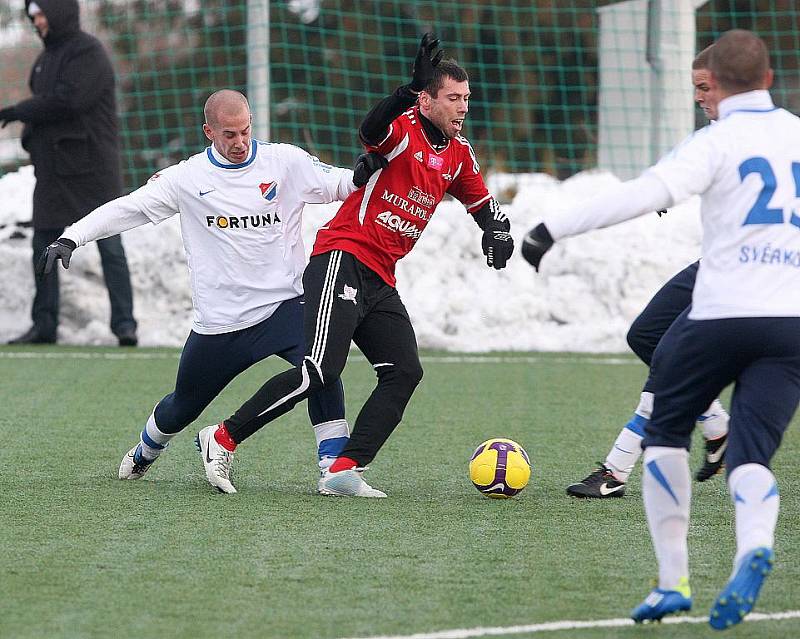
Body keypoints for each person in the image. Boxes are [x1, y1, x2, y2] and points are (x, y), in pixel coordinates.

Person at [522, 30, 799, 629]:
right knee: (755, 457)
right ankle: (753, 548)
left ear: (717, 86)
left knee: (669, 433)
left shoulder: (717, 139)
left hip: (722, 314)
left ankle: (673, 580)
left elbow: (641, 195)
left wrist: (551, 227)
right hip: (790, 324)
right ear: (770, 81)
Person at [195, 34, 514, 497]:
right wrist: (406, 90)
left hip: (381, 278)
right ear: (427, 99)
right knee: (320, 370)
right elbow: (370, 128)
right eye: (452, 98)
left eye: (466, 98)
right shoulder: (402, 128)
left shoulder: (458, 153)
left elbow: (482, 203)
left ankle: (344, 467)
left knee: (405, 371)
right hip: (341, 259)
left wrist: (497, 229)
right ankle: (221, 438)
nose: (462, 107)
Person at [39, 89, 387, 492]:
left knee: (323, 368)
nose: (239, 143)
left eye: (245, 132)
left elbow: (342, 183)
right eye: (228, 135)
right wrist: (72, 238)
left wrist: (363, 171)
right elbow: (128, 208)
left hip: (285, 304)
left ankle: (334, 468)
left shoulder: (285, 162)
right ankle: (144, 452)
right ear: (209, 132)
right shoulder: (187, 178)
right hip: (221, 322)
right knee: (181, 407)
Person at [566, 46, 730, 499]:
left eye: (705, 87)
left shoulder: (770, 134)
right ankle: (717, 424)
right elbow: (682, 168)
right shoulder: (718, 134)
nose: (698, 97)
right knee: (646, 336)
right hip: (715, 264)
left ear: (733, 83)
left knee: (670, 357)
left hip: (749, 278)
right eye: (695, 87)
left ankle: (616, 471)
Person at [0, 0, 137, 346]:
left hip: (92, 170)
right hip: (54, 172)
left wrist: (19, 112)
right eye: (33, 17)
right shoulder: (45, 60)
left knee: (110, 244)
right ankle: (44, 324)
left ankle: (124, 324)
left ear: (59, 13)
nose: (38, 22)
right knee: (41, 243)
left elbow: (68, 101)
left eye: (42, 14)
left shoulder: (88, 53)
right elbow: (48, 104)